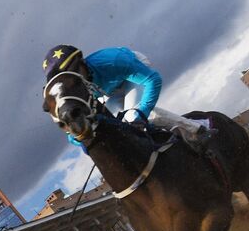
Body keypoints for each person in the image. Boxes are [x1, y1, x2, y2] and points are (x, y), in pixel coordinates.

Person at [43, 45, 216, 155]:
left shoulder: (112, 61)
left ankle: (198, 129)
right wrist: (80, 136)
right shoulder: (76, 90)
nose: (73, 79)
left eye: (74, 71)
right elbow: (72, 134)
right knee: (119, 125)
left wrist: (143, 113)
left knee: (134, 116)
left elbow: (153, 80)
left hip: (132, 73)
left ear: (81, 62)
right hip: (110, 91)